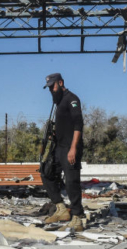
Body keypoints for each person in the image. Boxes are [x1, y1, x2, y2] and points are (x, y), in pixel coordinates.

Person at [40, 73, 85, 231]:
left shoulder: (72, 99)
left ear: (60, 82)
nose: (51, 90)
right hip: (58, 147)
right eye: (49, 87)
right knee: (46, 172)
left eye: (53, 86)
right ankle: (61, 209)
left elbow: (78, 124)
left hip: (70, 147)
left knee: (72, 182)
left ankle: (78, 218)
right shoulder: (58, 103)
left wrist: (73, 148)